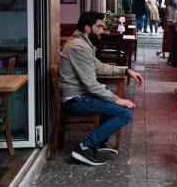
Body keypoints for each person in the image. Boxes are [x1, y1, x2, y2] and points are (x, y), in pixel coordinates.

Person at [59, 11, 143, 166]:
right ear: (87, 28)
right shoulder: (79, 47)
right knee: (125, 113)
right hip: (75, 99)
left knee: (114, 107)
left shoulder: (82, 43)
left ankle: (96, 144)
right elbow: (91, 85)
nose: (102, 31)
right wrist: (119, 100)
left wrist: (126, 70)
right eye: (99, 27)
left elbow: (99, 66)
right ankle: (85, 147)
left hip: (79, 95)